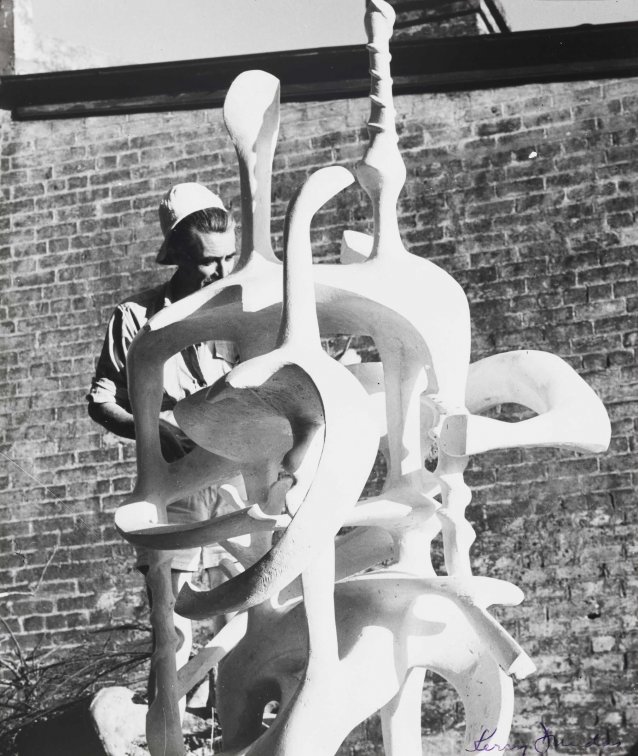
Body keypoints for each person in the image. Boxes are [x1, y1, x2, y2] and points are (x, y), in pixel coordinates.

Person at [87, 182, 241, 707]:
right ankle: (172, 731)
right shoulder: (134, 317)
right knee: (172, 626)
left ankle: (233, 730)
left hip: (237, 484)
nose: (220, 272)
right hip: (171, 490)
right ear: (176, 254)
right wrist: (158, 428)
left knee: (250, 612)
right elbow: (101, 400)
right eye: (205, 262)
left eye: (228, 258)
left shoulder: (243, 310)